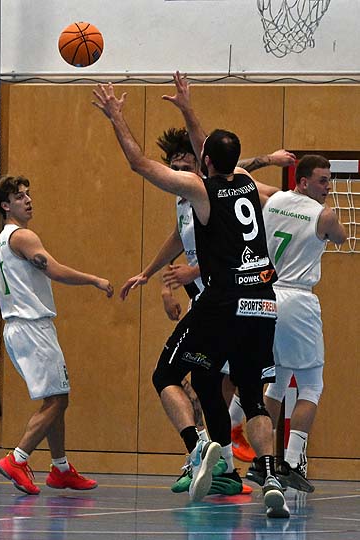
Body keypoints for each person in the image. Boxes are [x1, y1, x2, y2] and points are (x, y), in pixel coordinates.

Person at [93, 78, 289, 518]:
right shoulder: (246, 182)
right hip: (263, 301)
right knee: (252, 395)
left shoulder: (201, 191)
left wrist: (117, 117)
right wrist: (187, 109)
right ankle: (269, 474)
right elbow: (209, 151)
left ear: (204, 162)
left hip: (223, 301)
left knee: (165, 374)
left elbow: (140, 163)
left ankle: (198, 446)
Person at [156, 128, 296, 469]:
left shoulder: (210, 191)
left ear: (201, 165)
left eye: (186, 166)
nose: (180, 173)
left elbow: (225, 248)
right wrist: (155, 278)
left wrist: (269, 160)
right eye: (174, 168)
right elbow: (180, 239)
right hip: (214, 298)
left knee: (190, 378)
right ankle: (222, 462)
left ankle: (210, 452)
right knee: (208, 383)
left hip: (224, 299)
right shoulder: (184, 200)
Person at [0, 175, 114, 495]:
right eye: (19, 197)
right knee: (58, 400)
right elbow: (54, 269)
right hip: (33, 327)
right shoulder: (22, 236)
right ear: (6, 206)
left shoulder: (1, 241)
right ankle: (17, 458)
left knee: (56, 398)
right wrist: (94, 280)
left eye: (28, 194)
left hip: (18, 328)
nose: (28, 200)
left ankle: (60, 469)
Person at [257, 155, 346, 492]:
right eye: (322, 180)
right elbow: (340, 237)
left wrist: (265, 160)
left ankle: (262, 460)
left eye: (329, 180)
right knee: (311, 385)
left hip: (267, 297)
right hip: (297, 299)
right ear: (304, 181)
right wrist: (324, 214)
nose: (328, 187)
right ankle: (292, 461)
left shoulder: (274, 199)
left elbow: (239, 175)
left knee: (277, 382)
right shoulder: (324, 215)